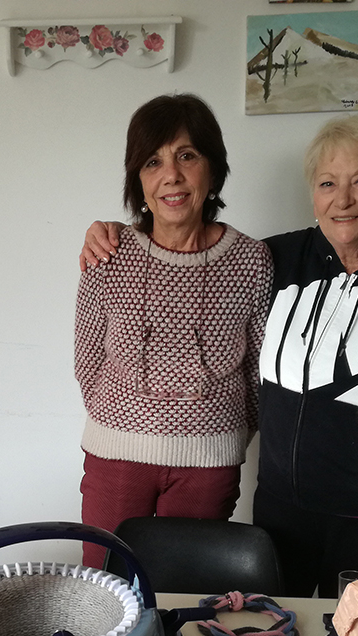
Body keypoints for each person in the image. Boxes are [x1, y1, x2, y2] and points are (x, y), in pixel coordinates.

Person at [81, 113, 358, 596]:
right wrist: (108, 229)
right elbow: (171, 267)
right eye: (327, 183)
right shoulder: (283, 260)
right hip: (280, 517)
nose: (343, 199)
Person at [74, 94, 273, 569]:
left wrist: (218, 434)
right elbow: (87, 359)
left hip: (210, 465)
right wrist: (130, 420)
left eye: (187, 155)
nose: (172, 176)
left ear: (212, 168)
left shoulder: (251, 260)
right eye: (153, 161)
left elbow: (260, 373)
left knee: (189, 599)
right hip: (116, 456)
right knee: (104, 591)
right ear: (138, 180)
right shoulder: (109, 252)